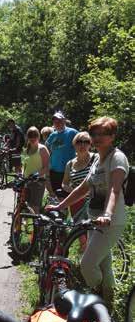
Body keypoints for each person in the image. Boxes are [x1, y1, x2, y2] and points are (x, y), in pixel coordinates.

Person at [46, 117, 129, 311]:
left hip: (110, 222)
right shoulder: (97, 160)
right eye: (94, 134)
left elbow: (115, 190)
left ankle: (97, 299)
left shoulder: (117, 158)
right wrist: (60, 206)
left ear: (112, 136)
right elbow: (81, 189)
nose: (98, 138)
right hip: (93, 220)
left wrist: (107, 214)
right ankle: (108, 304)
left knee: (87, 265)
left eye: (104, 134)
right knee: (104, 266)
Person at [62, 131, 97, 223]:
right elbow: (64, 183)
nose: (82, 145)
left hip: (95, 202)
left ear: (90, 144)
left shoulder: (96, 159)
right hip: (76, 202)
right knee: (80, 232)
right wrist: (73, 191)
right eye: (79, 142)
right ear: (74, 144)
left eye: (86, 142)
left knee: (93, 232)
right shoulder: (70, 164)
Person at [46, 111, 78, 193]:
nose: (57, 123)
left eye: (59, 121)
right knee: (56, 193)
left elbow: (82, 146)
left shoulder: (72, 132)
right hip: (54, 170)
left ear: (64, 120)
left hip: (68, 170)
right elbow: (47, 148)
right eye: (55, 121)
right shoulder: (53, 135)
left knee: (67, 194)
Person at [24, 127, 51, 213]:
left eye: (35, 135)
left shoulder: (42, 149)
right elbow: (25, 165)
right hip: (26, 181)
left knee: (35, 208)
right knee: (26, 206)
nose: (32, 138)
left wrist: (36, 174)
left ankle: (38, 226)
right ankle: (26, 225)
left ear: (38, 136)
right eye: (30, 135)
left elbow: (47, 167)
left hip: (38, 182)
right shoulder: (26, 150)